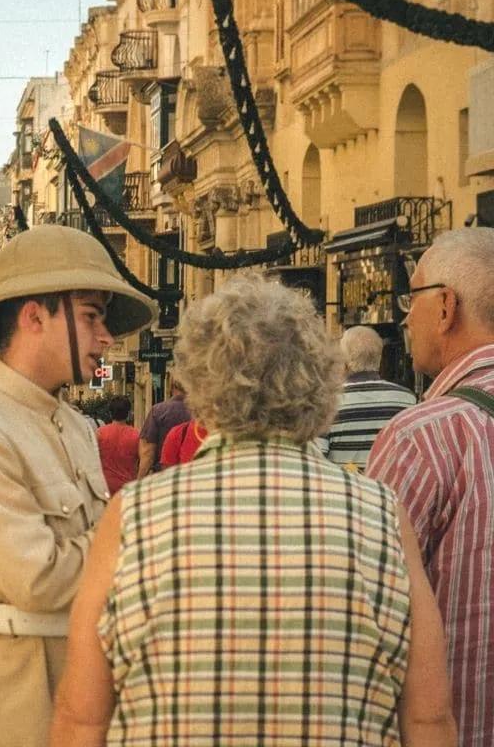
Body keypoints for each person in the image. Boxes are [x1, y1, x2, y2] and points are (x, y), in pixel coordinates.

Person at [51, 274, 456, 746]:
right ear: (320, 383)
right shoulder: (382, 514)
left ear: (200, 385)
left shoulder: (135, 515)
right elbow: (428, 718)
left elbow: (82, 717)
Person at [0, 224, 157, 746]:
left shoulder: (75, 425)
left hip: (89, 681)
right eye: (90, 316)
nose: (107, 337)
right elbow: (36, 579)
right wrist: (142, 536)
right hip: (17, 699)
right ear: (35, 316)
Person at [367, 228, 494, 746]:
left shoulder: (425, 437)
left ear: (445, 307)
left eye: (411, 298)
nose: (404, 317)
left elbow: (370, 602)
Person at [319, 325, 415, 470]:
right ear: (380, 360)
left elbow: (320, 460)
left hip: (346, 490)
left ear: (344, 363)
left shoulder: (328, 402)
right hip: (392, 490)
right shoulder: (408, 399)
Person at [136, 378, 189, 477]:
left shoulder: (158, 411)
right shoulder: (200, 412)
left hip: (163, 475)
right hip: (191, 474)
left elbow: (148, 453)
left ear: (171, 387)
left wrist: (140, 480)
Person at [94, 397, 139, 494]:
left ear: (110, 413)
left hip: (105, 486)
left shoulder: (100, 433)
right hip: (127, 488)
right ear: (128, 413)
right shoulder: (136, 435)